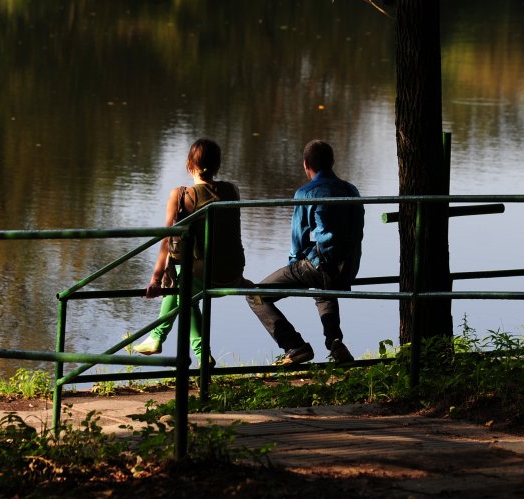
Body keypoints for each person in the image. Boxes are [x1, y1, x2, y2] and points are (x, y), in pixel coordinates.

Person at [247, 139, 364, 365]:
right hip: (349, 267)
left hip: (323, 267)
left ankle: (294, 345)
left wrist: (294, 265)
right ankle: (335, 342)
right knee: (322, 284)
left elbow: (297, 240)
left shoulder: (307, 192)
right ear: (332, 162)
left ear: (305, 165)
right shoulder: (351, 190)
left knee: (255, 295)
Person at [133, 138, 249, 365]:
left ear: (189, 165)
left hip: (204, 277)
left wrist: (156, 279)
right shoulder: (232, 190)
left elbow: (166, 238)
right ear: (218, 166)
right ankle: (201, 356)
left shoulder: (182, 195)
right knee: (186, 293)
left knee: (179, 287)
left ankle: (157, 337)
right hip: (233, 273)